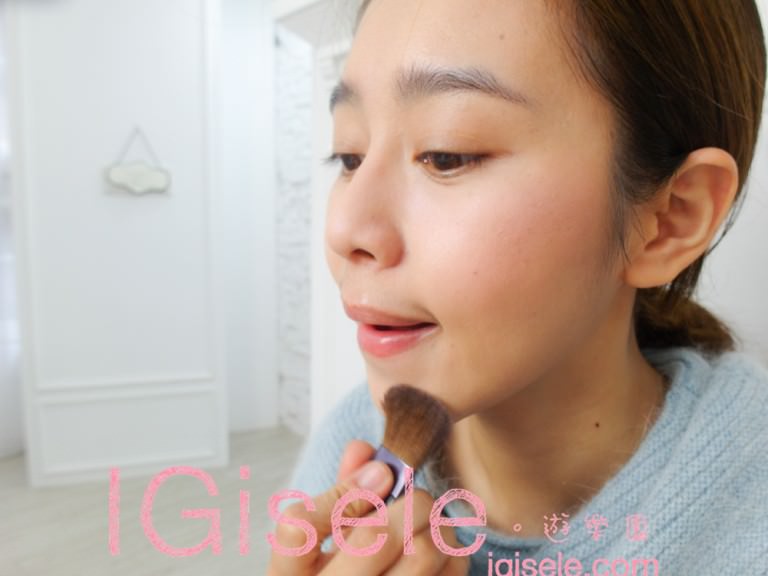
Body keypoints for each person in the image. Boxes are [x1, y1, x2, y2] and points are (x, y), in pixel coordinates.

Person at [268, 1, 768, 574]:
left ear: (669, 219)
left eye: (446, 155)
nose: (344, 229)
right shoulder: (350, 441)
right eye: (350, 156)